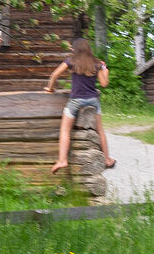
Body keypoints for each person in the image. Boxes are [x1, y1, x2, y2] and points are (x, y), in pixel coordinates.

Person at [46, 37, 115, 173]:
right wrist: (105, 72)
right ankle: (107, 159)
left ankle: (62, 160)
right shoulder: (97, 63)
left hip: (76, 100)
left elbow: (54, 75)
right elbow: (104, 84)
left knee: (65, 130)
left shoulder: (71, 61)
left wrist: (50, 88)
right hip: (93, 100)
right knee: (100, 130)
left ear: (75, 49)